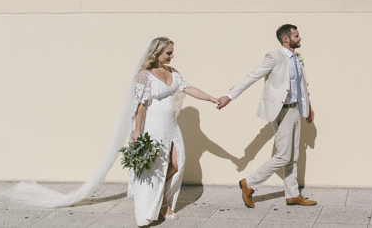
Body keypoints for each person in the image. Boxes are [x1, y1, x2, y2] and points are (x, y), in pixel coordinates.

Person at [216, 24, 317, 208]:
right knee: (283, 156)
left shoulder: (297, 59)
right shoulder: (274, 57)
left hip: (295, 110)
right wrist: (230, 96)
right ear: (286, 39)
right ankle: (249, 183)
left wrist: (308, 106)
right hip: (282, 111)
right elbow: (252, 76)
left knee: (293, 155)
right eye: (296, 35)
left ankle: (293, 194)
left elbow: (302, 85)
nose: (300, 38)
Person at [130, 37, 220, 225]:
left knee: (176, 164)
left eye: (172, 52)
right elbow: (140, 105)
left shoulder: (173, 72)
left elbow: (188, 88)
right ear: (157, 53)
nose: (172, 56)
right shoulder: (145, 75)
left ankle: (161, 200)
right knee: (155, 168)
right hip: (153, 128)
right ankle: (152, 208)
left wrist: (212, 98)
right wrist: (137, 130)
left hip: (171, 126)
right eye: (168, 53)